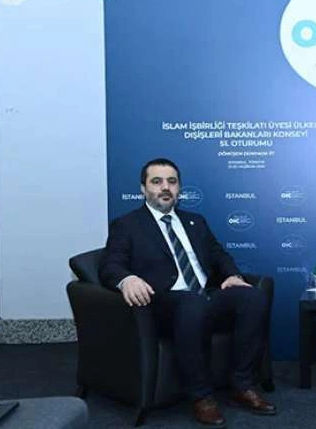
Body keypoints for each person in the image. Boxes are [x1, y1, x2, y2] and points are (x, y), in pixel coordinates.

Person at [100, 158, 276, 427]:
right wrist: (127, 279)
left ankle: (242, 384)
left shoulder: (195, 221)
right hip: (163, 304)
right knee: (191, 303)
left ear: (179, 188)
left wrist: (232, 275)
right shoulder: (127, 225)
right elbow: (110, 264)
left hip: (204, 297)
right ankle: (201, 396)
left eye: (171, 181)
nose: (165, 187)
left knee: (253, 297)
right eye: (157, 181)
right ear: (143, 189)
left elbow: (218, 255)